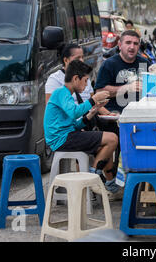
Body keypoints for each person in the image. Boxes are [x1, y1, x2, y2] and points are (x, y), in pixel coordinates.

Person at [44, 60, 122, 200]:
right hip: (61, 139)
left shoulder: (67, 94)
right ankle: (93, 177)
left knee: (107, 146)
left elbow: (76, 124)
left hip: (68, 135)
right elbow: (74, 113)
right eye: (85, 81)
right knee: (112, 138)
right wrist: (93, 100)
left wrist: (94, 110)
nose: (87, 85)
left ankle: (108, 182)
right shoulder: (61, 93)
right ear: (75, 78)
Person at [94, 30, 151, 113]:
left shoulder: (145, 63)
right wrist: (127, 88)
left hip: (141, 115)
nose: (132, 47)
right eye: (128, 43)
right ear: (120, 45)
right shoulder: (109, 64)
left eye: (135, 44)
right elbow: (99, 92)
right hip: (116, 116)